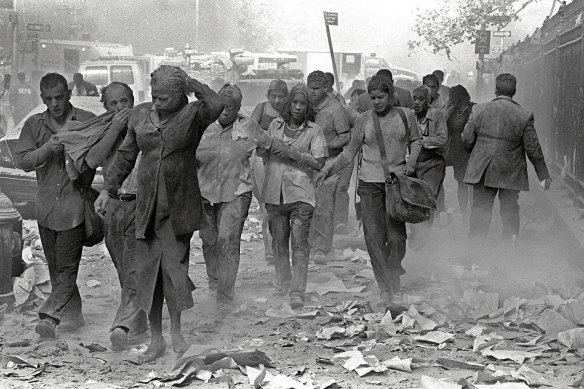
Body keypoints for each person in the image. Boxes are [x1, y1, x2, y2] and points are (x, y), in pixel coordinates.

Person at [95, 65, 223, 363]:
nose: (157, 103)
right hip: (147, 207)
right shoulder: (140, 115)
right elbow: (127, 154)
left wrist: (188, 80)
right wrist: (107, 190)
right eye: (154, 96)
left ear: (180, 96)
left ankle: (176, 331)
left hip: (178, 207)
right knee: (147, 275)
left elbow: (216, 104)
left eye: (165, 98)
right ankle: (156, 339)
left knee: (174, 272)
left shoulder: (193, 115)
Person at [315, 75, 422, 305]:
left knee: (396, 238)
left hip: (396, 184)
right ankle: (386, 287)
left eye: (381, 97)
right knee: (374, 238)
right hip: (369, 185)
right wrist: (328, 169)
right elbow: (349, 152)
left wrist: (410, 165)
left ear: (391, 95)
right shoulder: (363, 120)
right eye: (372, 98)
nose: (377, 102)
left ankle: (393, 275)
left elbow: (416, 141)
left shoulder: (406, 115)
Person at [63, 81, 146, 351]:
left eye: (125, 101)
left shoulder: (144, 123)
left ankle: (122, 325)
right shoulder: (104, 128)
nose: (121, 107)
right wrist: (114, 127)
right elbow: (92, 160)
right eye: (114, 104)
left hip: (140, 204)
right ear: (106, 107)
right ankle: (139, 320)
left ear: (133, 100)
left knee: (134, 268)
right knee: (124, 270)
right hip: (113, 207)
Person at [14, 73, 97, 339]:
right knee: (55, 265)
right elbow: (23, 161)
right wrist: (48, 149)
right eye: (49, 99)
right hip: (47, 206)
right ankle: (74, 315)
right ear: (42, 99)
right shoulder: (34, 124)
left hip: (75, 204)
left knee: (66, 266)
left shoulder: (85, 120)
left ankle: (50, 317)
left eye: (59, 97)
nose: (55, 104)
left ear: (68, 94)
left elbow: (102, 154)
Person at [260, 84, 328, 308]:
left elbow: (318, 162)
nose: (298, 107)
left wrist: (293, 154)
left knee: (299, 245)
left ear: (308, 107)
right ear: (289, 104)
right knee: (279, 243)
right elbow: (264, 152)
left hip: (301, 194)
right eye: (295, 103)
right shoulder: (274, 125)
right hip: (274, 192)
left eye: (303, 104)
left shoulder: (314, 131)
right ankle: (283, 283)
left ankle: (297, 291)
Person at [461, 73, 551, 240]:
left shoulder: (479, 109)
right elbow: (533, 149)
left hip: (482, 169)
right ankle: (509, 250)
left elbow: (466, 138)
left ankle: (474, 253)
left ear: (495, 89)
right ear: (514, 91)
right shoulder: (524, 115)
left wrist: (474, 153)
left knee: (480, 210)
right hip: (510, 171)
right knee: (509, 210)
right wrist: (543, 176)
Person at [197, 84, 255, 316]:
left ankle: (225, 296)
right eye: (222, 107)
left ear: (238, 108)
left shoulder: (248, 126)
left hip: (237, 191)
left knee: (228, 241)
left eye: (231, 108)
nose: (225, 112)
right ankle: (214, 284)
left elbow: (271, 146)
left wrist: (308, 161)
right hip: (203, 191)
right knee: (209, 240)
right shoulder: (201, 125)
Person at [306, 70, 351, 263]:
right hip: (306, 162)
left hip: (330, 163)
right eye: (309, 88)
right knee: (305, 205)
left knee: (324, 205)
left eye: (316, 89)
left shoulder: (336, 109)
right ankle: (305, 243)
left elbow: (345, 136)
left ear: (326, 89)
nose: (312, 92)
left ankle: (321, 247)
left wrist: (323, 145)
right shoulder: (305, 106)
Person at [250, 79, 289, 264]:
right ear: (267, 96)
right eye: (273, 96)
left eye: (281, 96)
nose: (277, 100)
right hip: (262, 158)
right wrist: (266, 139)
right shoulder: (262, 108)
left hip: (284, 158)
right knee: (267, 205)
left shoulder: (291, 109)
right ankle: (270, 249)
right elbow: (251, 127)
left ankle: (281, 247)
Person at [408, 86, 447, 249]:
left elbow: (442, 139)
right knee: (411, 200)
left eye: (421, 99)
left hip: (432, 163)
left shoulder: (437, 115)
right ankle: (416, 235)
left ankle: (423, 238)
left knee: (426, 200)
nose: (416, 102)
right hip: (413, 162)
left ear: (428, 100)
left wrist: (421, 141)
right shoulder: (409, 115)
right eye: (414, 98)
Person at [445, 85, 474, 214]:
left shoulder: (473, 109)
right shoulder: (451, 111)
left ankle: (475, 213)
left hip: (471, 152)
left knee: (473, 184)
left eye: (452, 96)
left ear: (460, 97)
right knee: (461, 184)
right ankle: (464, 213)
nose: (450, 99)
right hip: (457, 151)